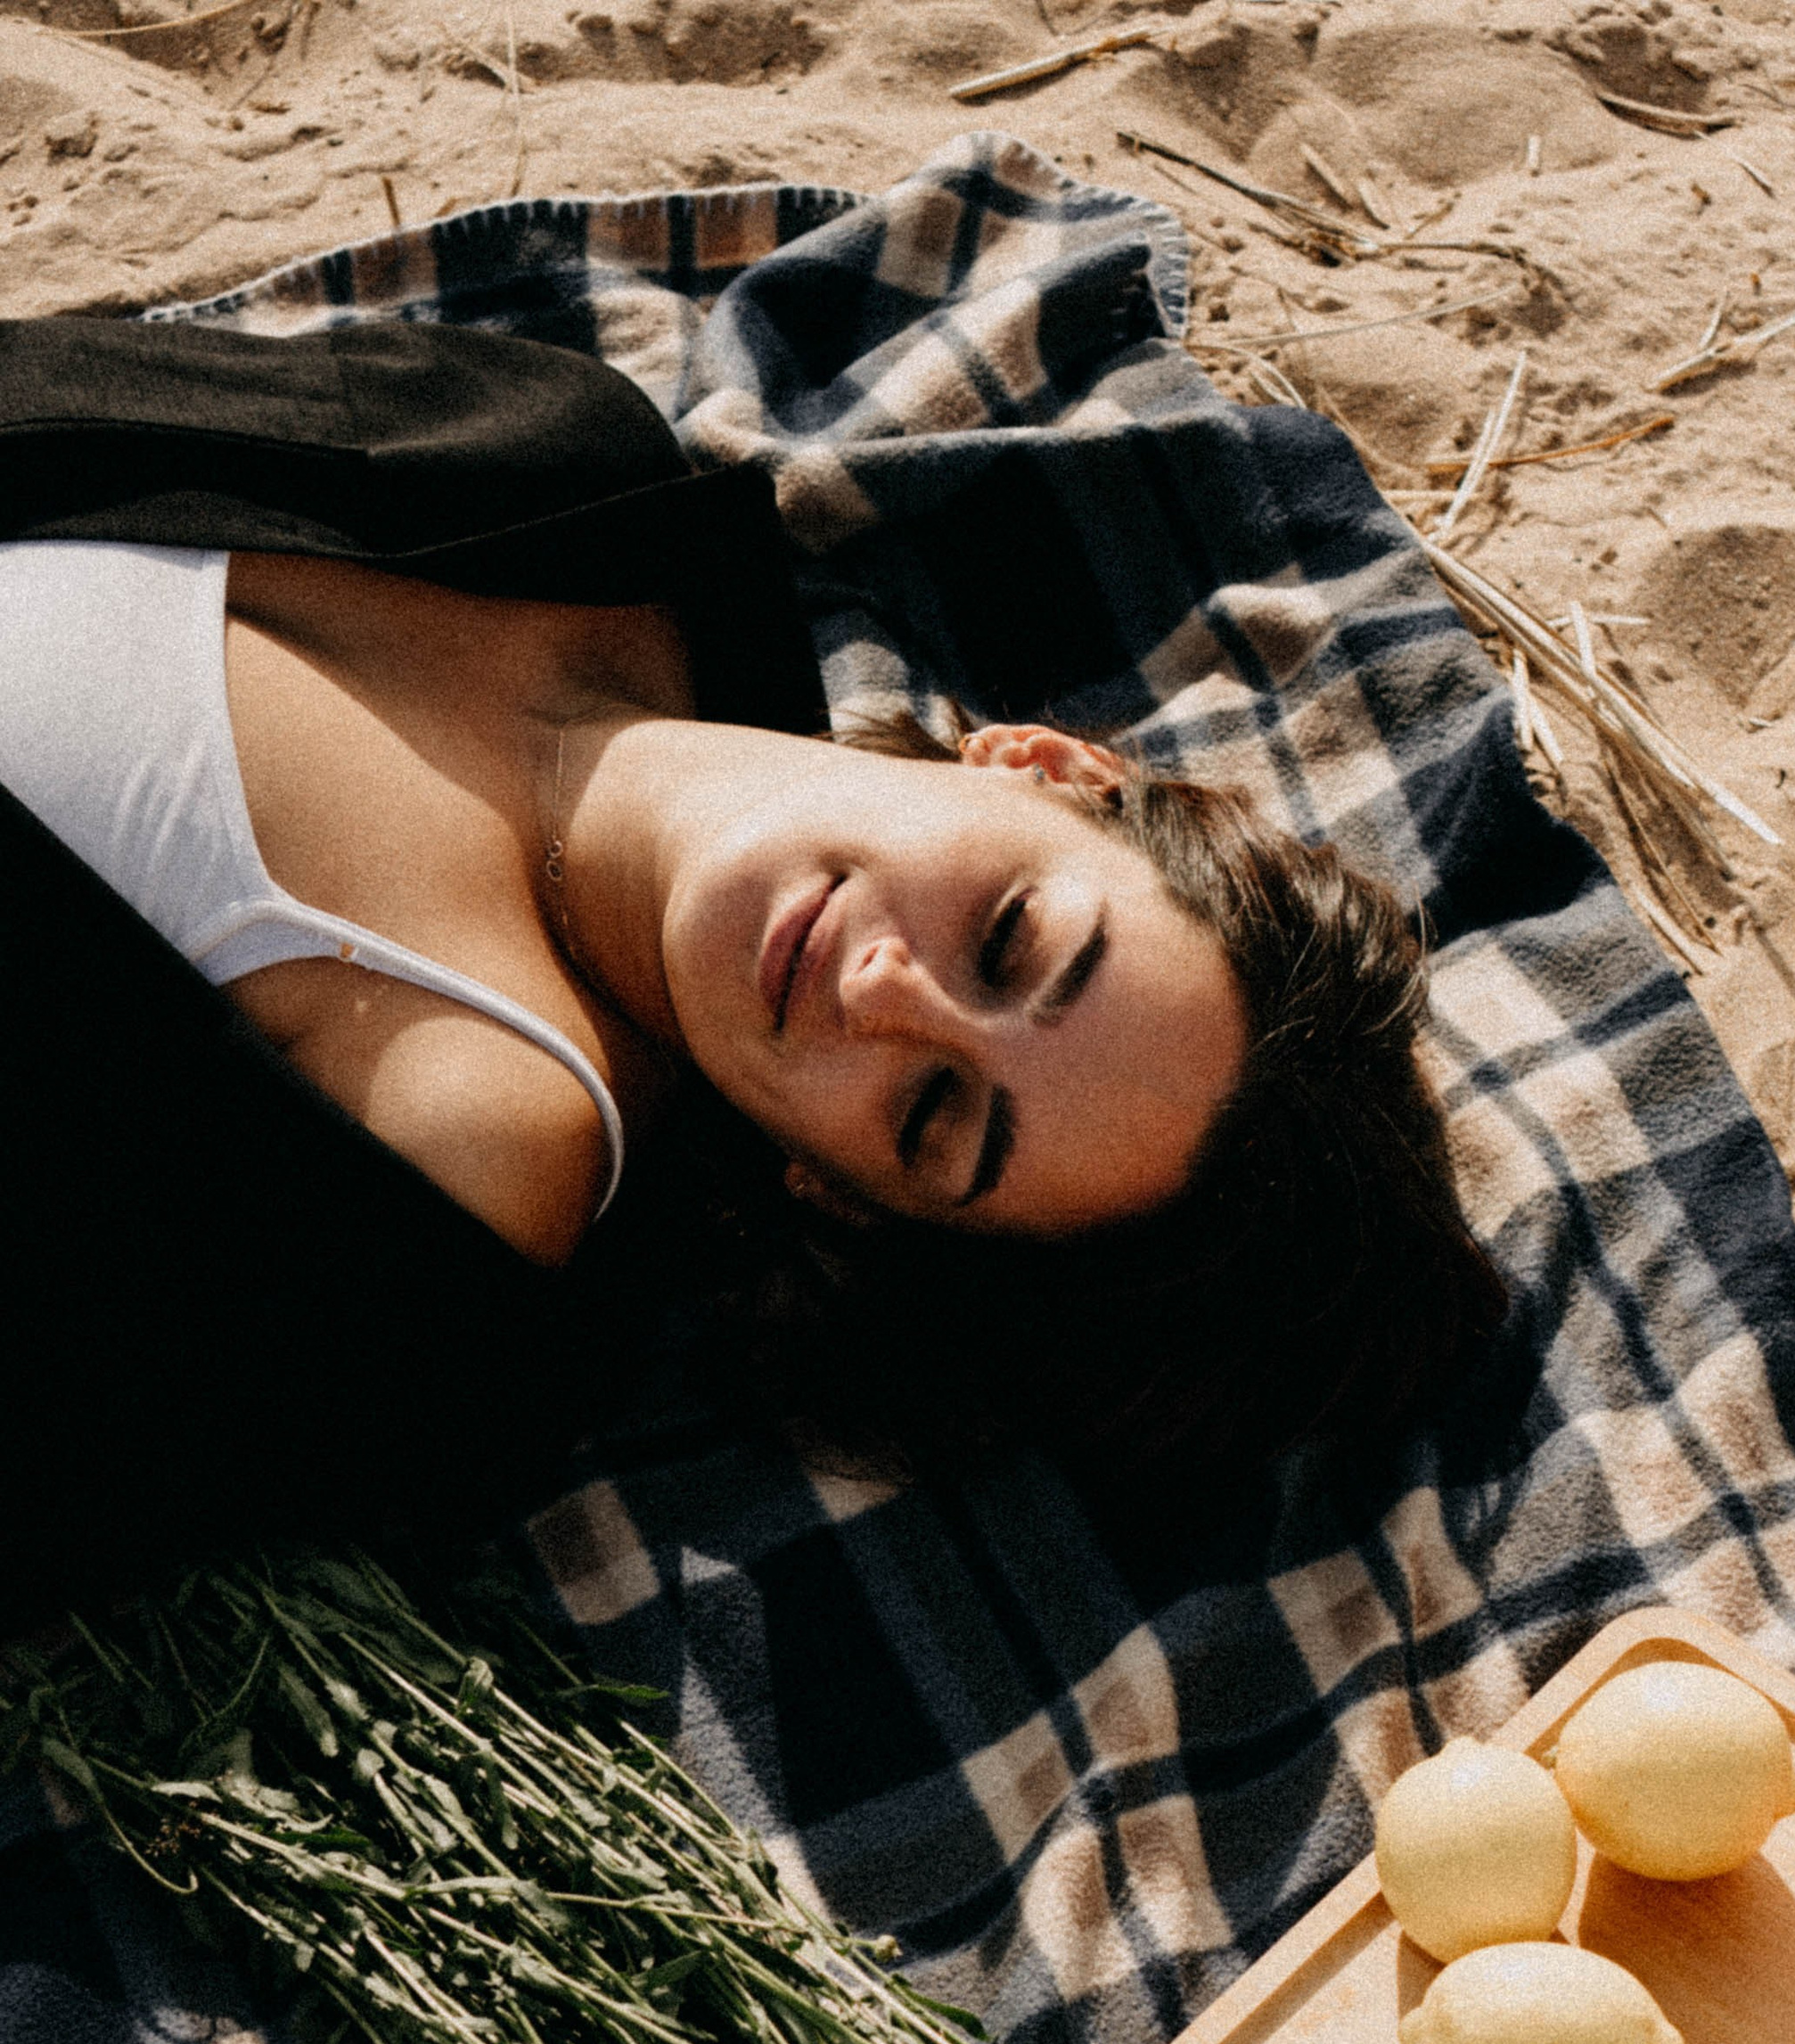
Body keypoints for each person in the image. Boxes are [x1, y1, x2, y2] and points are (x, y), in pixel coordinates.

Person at [0, 311, 1504, 1631]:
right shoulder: (557, 465)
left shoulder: (475, 1131)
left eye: (929, 1116)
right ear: (1043, 767)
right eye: (1010, 942)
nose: (889, 997)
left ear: (834, 1189)